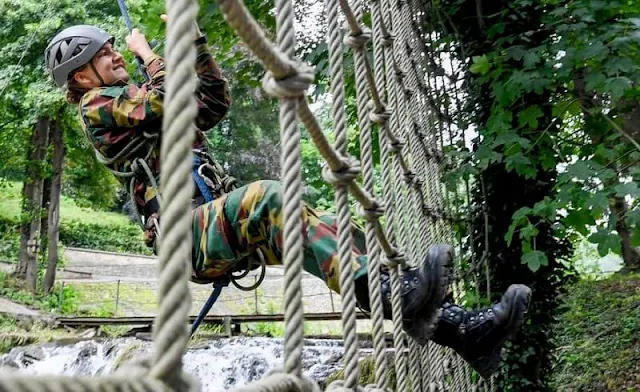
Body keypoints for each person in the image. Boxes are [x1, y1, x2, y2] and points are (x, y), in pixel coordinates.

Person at [44, 20, 532, 378]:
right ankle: (408, 298)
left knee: (320, 232)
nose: (115, 54)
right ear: (81, 77)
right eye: (103, 53)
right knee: (271, 197)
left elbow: (211, 100)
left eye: (113, 47)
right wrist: (151, 52)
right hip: (183, 237)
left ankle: (461, 330)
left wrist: (192, 41)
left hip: (212, 227)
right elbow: (169, 96)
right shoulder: (99, 106)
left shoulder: (134, 103)